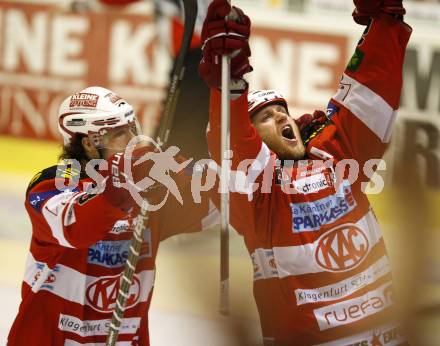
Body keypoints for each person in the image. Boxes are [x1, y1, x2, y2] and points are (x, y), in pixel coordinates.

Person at [199, 0, 412, 345]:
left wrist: (384, 23)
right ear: (256, 137)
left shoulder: (338, 154)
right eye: (265, 118)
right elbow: (235, 150)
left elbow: (369, 95)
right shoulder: (259, 194)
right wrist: (229, 88)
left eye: (282, 110)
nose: (281, 118)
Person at [7, 86, 213, 345]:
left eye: (131, 129)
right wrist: (128, 178)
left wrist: (225, 96)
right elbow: (77, 228)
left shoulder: (149, 193)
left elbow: (226, 199)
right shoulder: (52, 184)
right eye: (120, 133)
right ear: (89, 144)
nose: (132, 140)